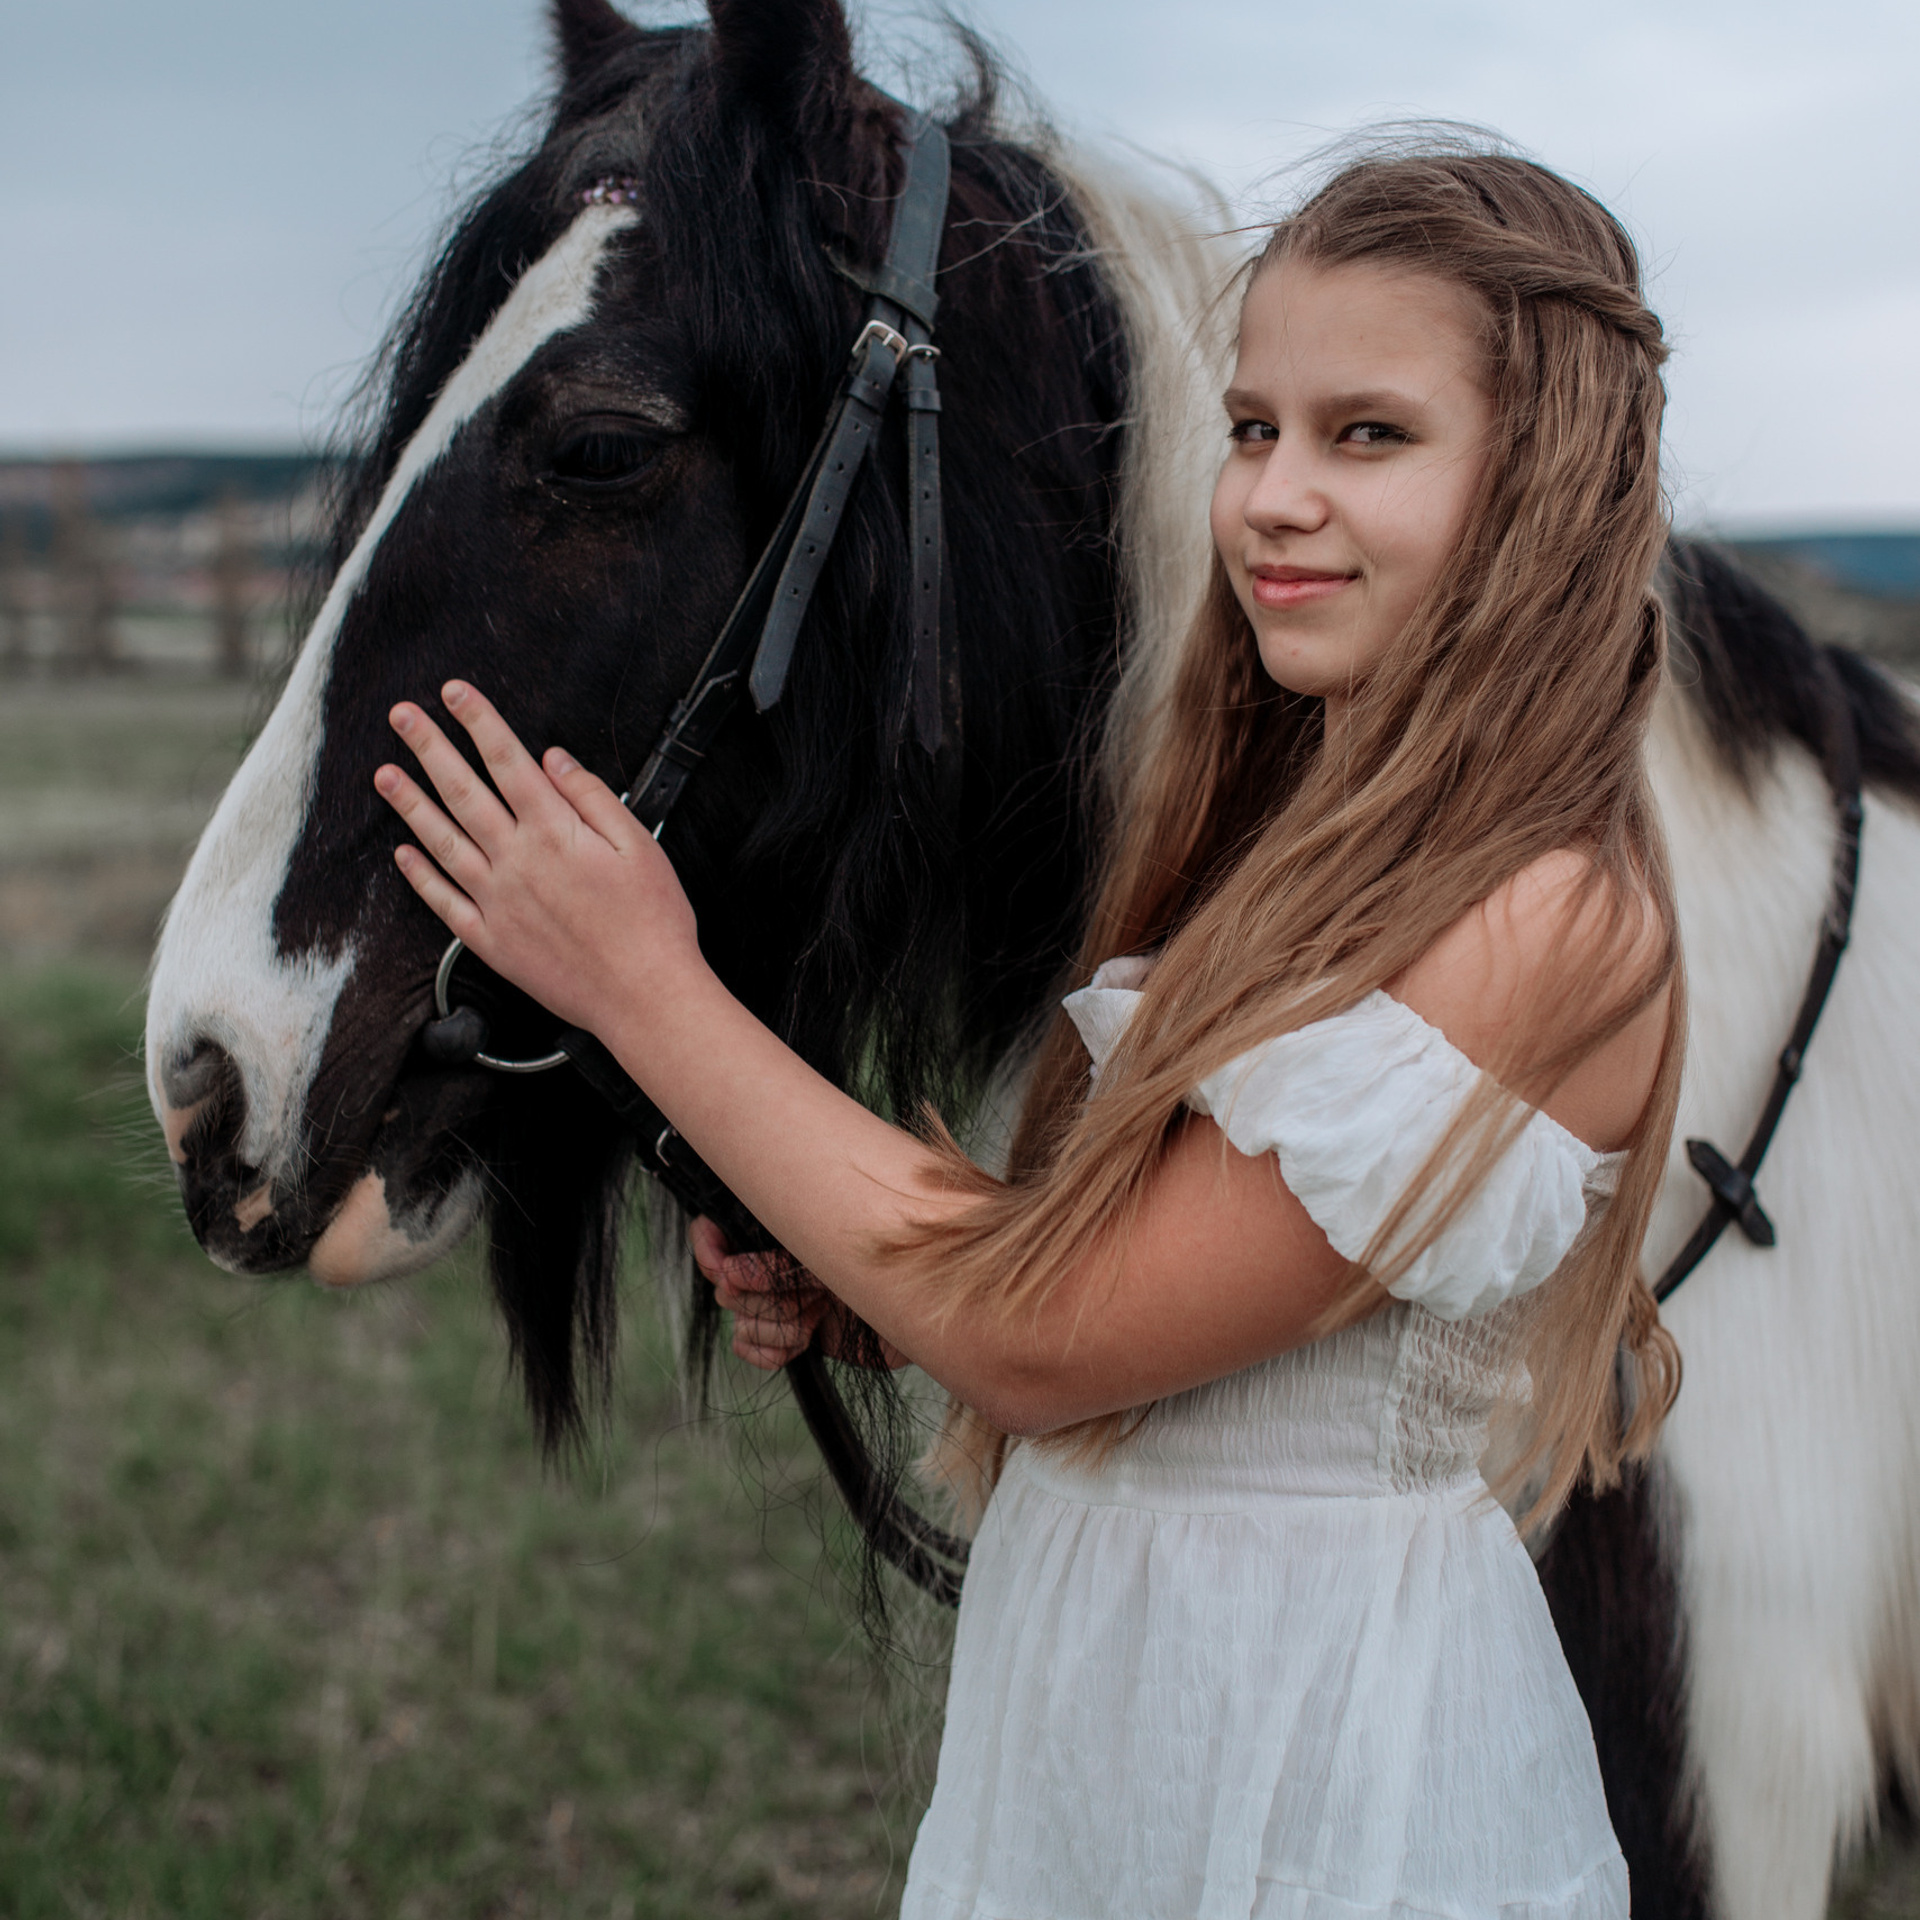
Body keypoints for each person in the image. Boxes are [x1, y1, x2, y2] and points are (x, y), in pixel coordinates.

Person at [374, 143, 1683, 1919]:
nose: (1275, 496)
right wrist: (881, 1278)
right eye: (1252, 429)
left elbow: (1050, 1342)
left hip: (1324, 1774)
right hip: (1120, 1737)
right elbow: (1150, 1305)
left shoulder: (1545, 917)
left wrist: (643, 984)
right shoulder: (1290, 845)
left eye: (1368, 435)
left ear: (1554, 486)